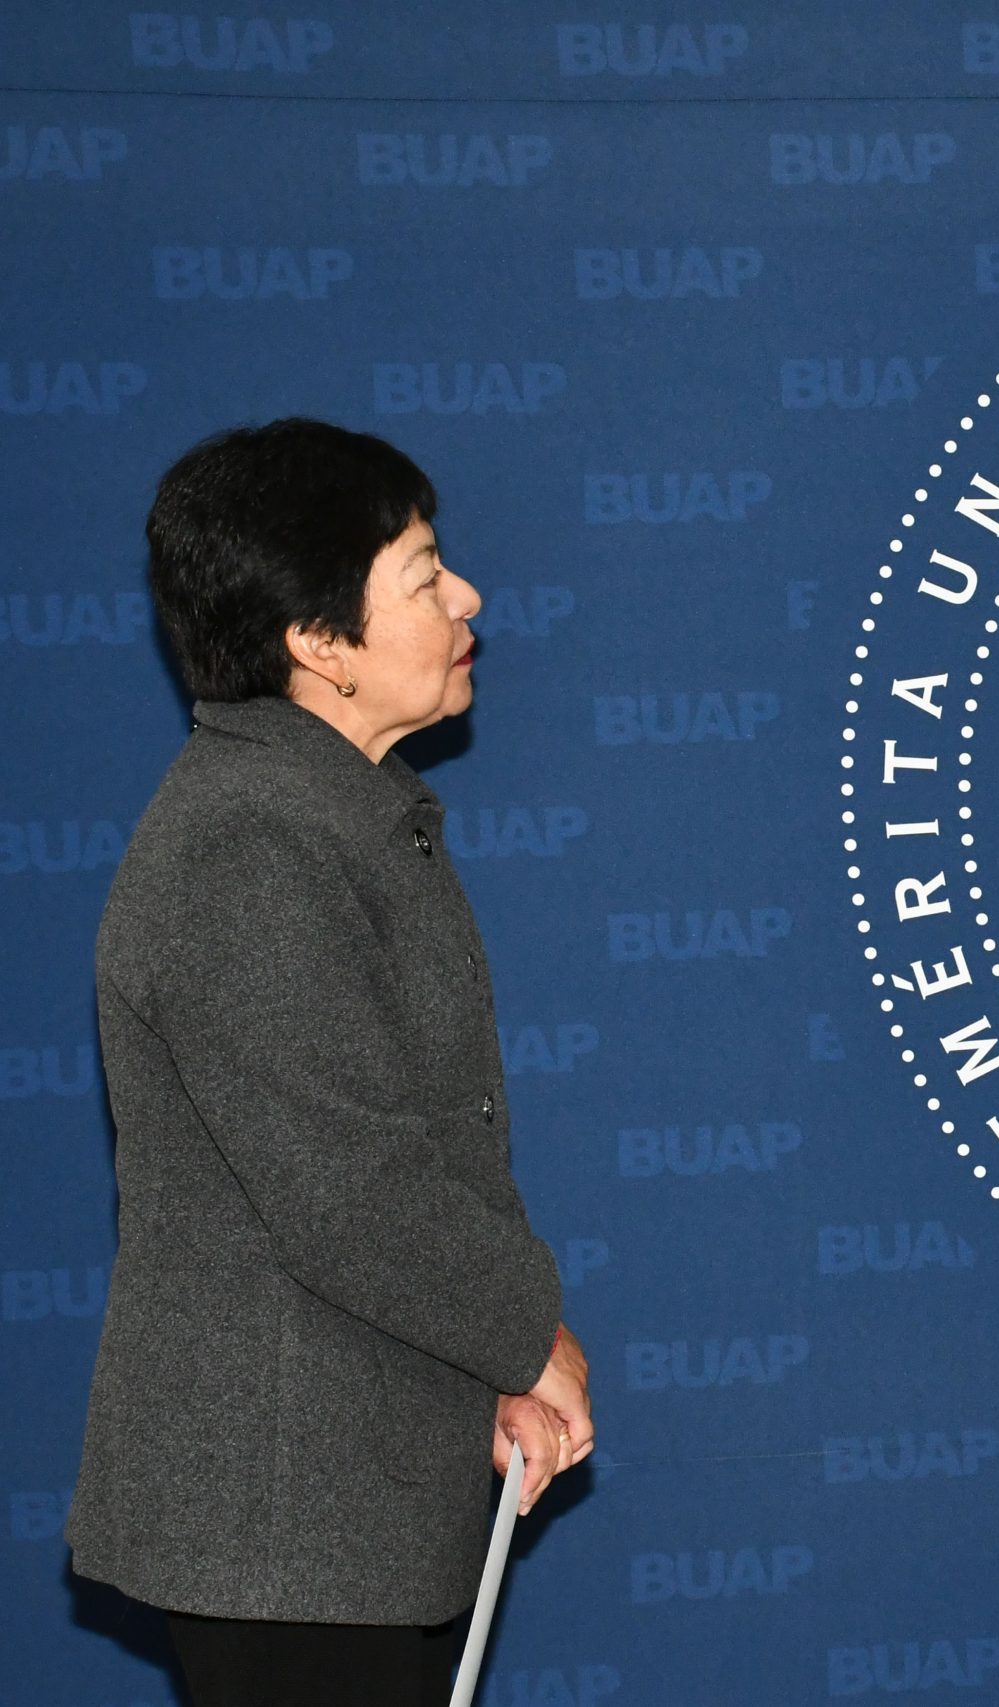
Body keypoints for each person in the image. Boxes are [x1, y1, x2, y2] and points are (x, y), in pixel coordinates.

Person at [69, 419, 596, 1707]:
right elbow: (353, 1191)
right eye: (422, 575)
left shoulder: (326, 815)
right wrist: (524, 1337)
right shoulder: (250, 848)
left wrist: (484, 1365)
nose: (466, 597)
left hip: (344, 1504)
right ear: (319, 643)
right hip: (282, 1526)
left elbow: (410, 1152)